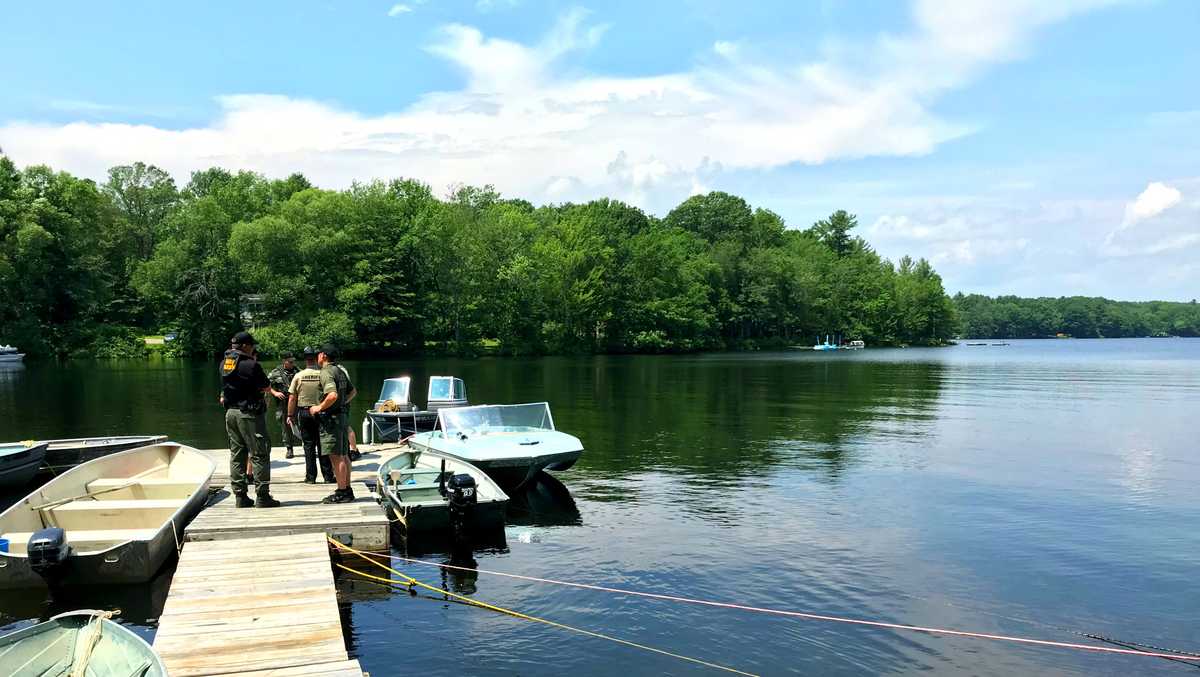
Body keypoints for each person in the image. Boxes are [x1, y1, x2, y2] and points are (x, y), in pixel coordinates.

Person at [219, 331, 281, 508]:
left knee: (237, 454)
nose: (253, 348)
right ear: (245, 346)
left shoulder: (225, 363)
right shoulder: (251, 365)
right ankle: (262, 497)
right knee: (260, 453)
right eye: (252, 345)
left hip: (230, 413)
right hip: (249, 415)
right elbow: (266, 386)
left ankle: (240, 496)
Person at [287, 347, 335, 484]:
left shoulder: (298, 376)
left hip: (304, 412)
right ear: (316, 358)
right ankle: (328, 476)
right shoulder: (323, 374)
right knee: (323, 445)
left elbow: (292, 398)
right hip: (321, 411)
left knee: (308, 445)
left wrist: (290, 415)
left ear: (305, 359)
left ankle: (310, 477)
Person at [315, 344, 355, 504]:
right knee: (344, 455)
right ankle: (347, 489)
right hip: (342, 417)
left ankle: (342, 491)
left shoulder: (326, 372)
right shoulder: (340, 371)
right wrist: (342, 404)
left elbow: (331, 395)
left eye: (319, 353)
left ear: (323, 355)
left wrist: (319, 407)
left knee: (336, 456)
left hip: (331, 420)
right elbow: (353, 392)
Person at [267, 352, 301, 459]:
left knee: (301, 424)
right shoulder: (276, 372)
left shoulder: (298, 371)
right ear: (284, 361)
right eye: (290, 361)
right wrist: (275, 393)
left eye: (293, 361)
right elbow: (266, 385)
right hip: (282, 403)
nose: (292, 363)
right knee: (285, 426)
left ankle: (307, 446)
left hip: (297, 402)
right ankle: (289, 448)